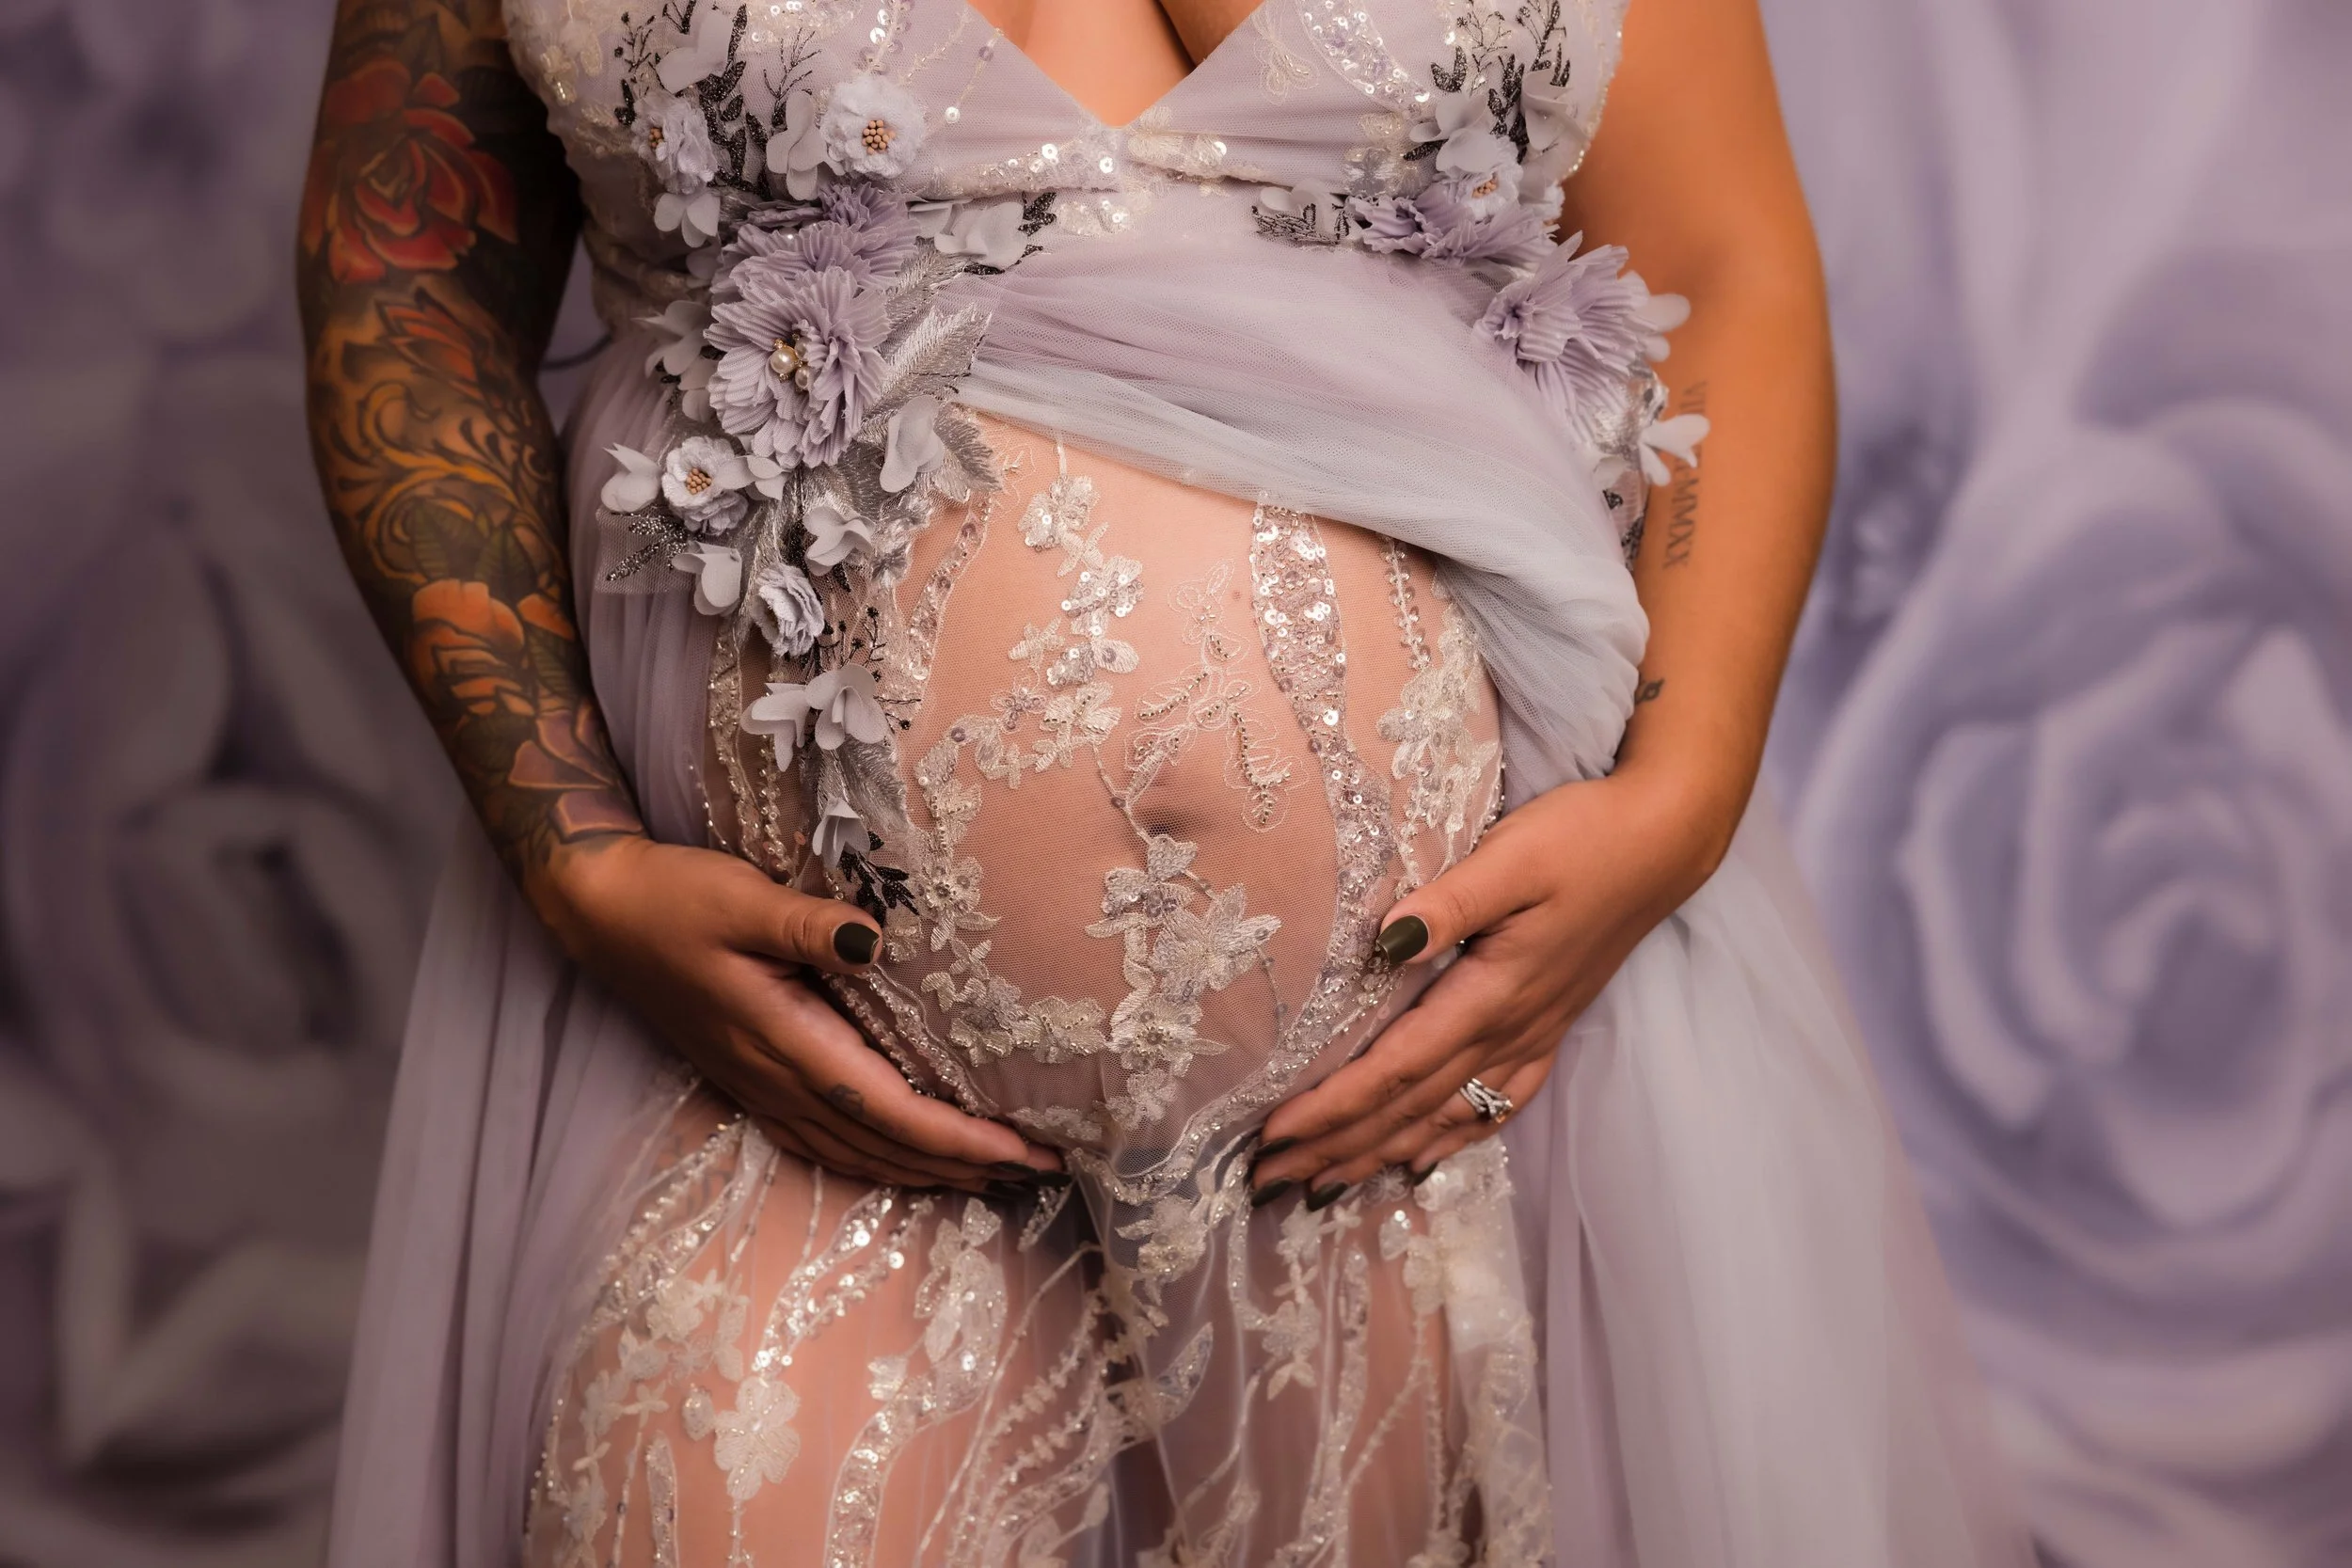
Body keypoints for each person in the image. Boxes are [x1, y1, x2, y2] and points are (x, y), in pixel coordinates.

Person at [300, 0, 2035, 1562]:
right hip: (791, 1081)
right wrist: (565, 835)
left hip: (1432, 1103)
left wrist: (1689, 784)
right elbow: (410, 272)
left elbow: (1720, 259)